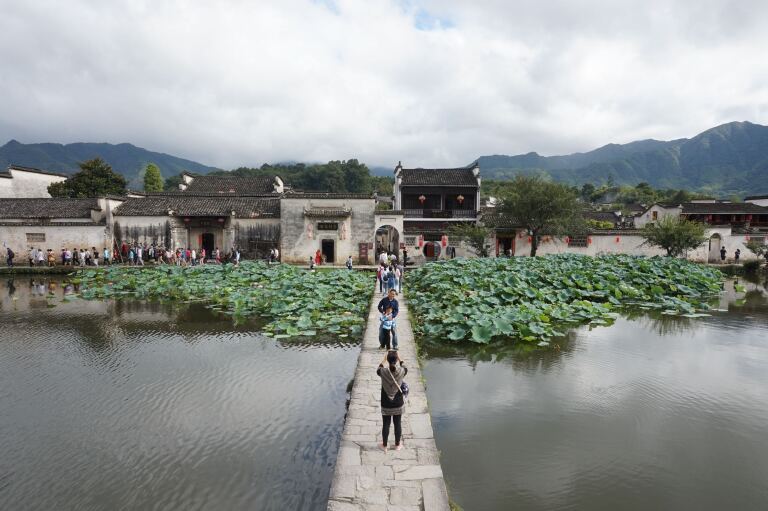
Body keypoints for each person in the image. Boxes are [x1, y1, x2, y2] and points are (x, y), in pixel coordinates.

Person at [377, 351, 407, 451]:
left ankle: (384, 446)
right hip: (398, 403)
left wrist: (384, 360)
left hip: (386, 403)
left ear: (388, 360)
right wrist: (400, 358)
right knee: (397, 423)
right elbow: (405, 367)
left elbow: (378, 369)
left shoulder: (382, 371)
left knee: (386, 424)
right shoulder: (402, 371)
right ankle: (397, 445)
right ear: (396, 360)